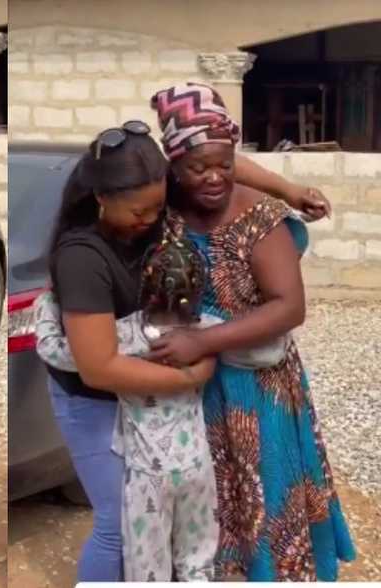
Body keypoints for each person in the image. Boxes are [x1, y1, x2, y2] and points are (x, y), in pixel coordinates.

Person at [44, 117, 336, 583]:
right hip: (104, 397)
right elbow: (99, 369)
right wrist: (191, 375)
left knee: (192, 515)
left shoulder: (159, 207)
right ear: (101, 198)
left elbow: (217, 162)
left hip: (159, 395)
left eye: (156, 208)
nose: (149, 221)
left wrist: (290, 190)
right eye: (139, 212)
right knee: (120, 525)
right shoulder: (83, 256)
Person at [145, 82, 355, 581]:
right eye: (199, 168)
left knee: (267, 485)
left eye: (225, 163)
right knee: (208, 491)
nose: (215, 177)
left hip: (256, 389)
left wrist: (202, 341)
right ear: (173, 164)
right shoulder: (165, 203)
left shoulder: (258, 219)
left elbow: (290, 308)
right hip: (196, 385)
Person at [35, 231, 289, 582]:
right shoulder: (207, 332)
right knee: (198, 565)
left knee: (148, 573)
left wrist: (48, 299)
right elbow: (271, 350)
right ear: (200, 289)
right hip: (196, 468)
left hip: (146, 477)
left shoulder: (121, 336)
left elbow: (52, 349)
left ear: (145, 285)